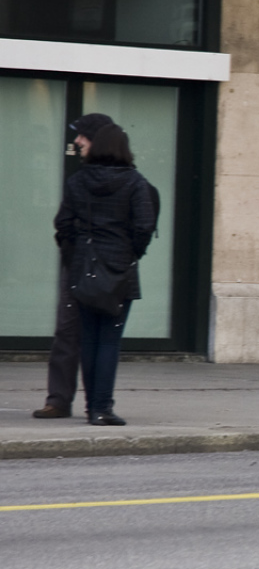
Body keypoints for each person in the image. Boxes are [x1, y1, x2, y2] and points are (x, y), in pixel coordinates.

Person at [53, 124, 156, 425]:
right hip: (119, 269)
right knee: (109, 340)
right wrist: (130, 252)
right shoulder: (135, 182)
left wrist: (77, 254)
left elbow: (63, 224)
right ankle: (101, 408)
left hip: (84, 267)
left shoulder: (77, 181)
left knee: (88, 339)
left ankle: (89, 407)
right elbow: (144, 225)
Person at [34, 112, 116, 419]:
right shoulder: (78, 180)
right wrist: (72, 252)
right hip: (78, 265)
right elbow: (64, 222)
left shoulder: (128, 179)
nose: (77, 140)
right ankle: (59, 399)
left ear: (97, 138)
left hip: (110, 268)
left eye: (82, 135)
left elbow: (141, 223)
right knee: (67, 331)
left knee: (100, 335)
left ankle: (96, 403)